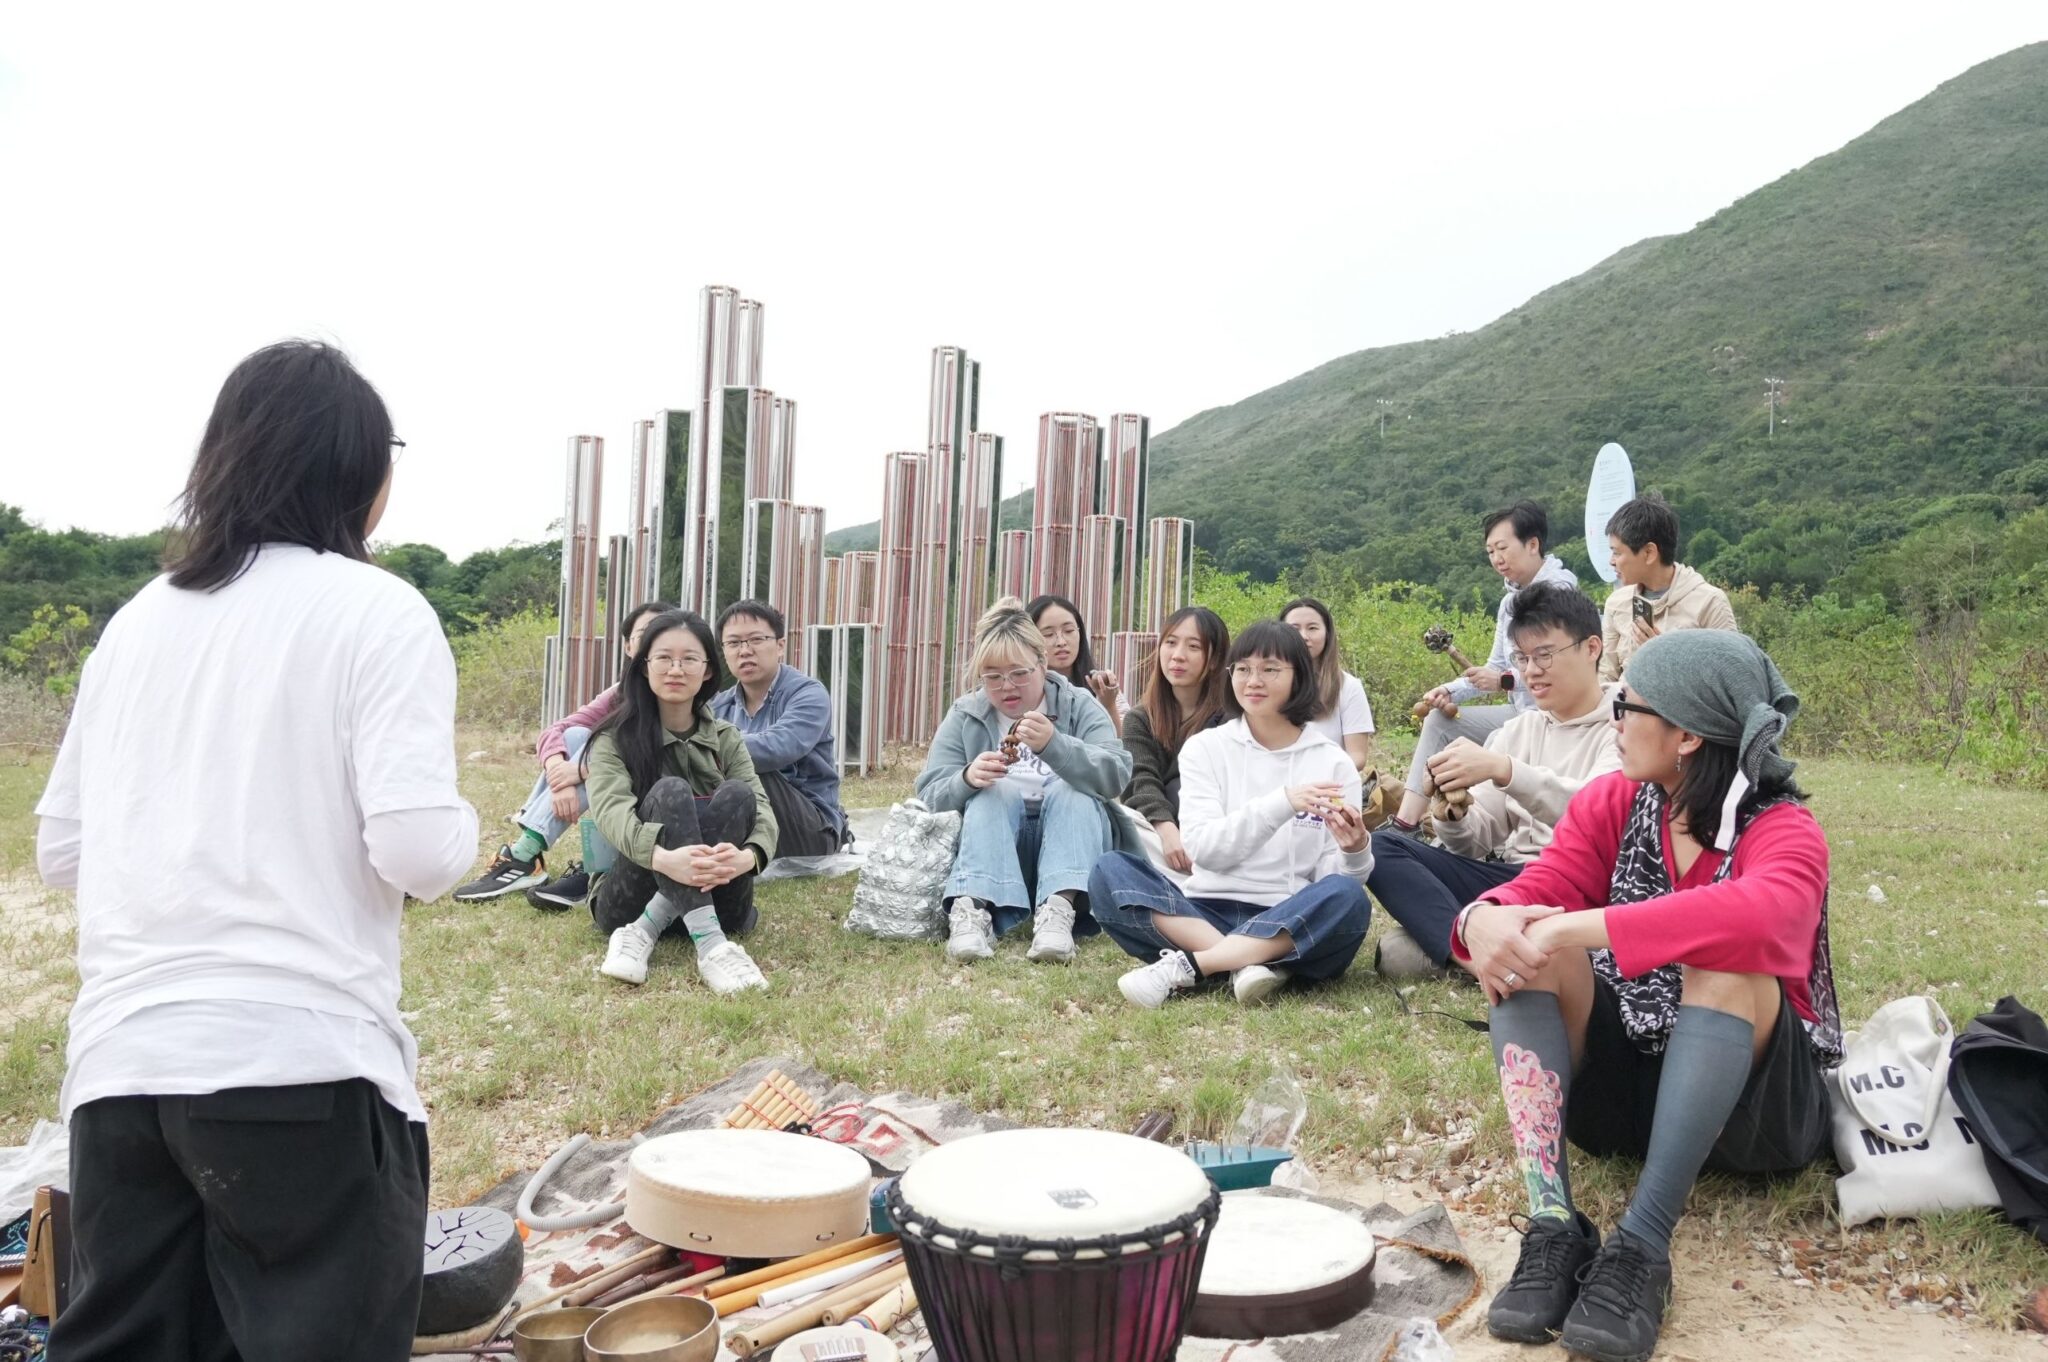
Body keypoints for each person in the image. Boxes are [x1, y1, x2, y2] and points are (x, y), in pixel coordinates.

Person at [34, 341, 477, 1360]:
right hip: (299, 1067)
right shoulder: (377, 609)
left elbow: (63, 850)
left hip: (122, 1073)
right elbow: (416, 849)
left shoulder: (140, 621)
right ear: (360, 470)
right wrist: (468, 833)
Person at [1457, 630, 1840, 1362]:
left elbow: (1769, 917)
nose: (1613, 718)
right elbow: (1531, 895)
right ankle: (1552, 1225)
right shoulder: (1616, 802)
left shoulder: (1784, 830)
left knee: (1728, 958)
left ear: (1689, 733)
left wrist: (1583, 927)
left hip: (1751, 1118)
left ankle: (1642, 1248)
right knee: (1525, 954)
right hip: (1627, 1098)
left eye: (1628, 704)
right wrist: (1482, 920)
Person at [1089, 620, 1375, 1009]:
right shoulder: (1205, 749)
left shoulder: (1332, 763)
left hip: (1288, 917)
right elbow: (1206, 851)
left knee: (1349, 898)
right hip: (1203, 912)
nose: (1253, 680)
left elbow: (1334, 880)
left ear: (1301, 676)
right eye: (1243, 668)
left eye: (1270, 669)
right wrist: (1283, 802)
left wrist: (1355, 851)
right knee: (1109, 872)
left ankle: (1198, 965)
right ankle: (1246, 964)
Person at [1368, 583, 1621, 976]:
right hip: (1515, 879)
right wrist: (1454, 817)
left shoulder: (1626, 724)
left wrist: (1506, 770)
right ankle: (1475, 958)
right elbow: (1476, 841)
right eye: (1521, 657)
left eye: (1544, 655)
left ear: (1591, 648)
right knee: (1383, 848)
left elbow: (1601, 818)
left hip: (1583, 882)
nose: (1530, 671)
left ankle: (1470, 940)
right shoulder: (1518, 730)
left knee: (1400, 952)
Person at [917, 597, 1135, 965]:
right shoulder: (966, 712)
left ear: (1042, 664)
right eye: (993, 676)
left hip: (1074, 849)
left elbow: (1116, 775)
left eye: (1019, 673)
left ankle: (1058, 912)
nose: (1007, 687)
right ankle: (972, 911)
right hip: (997, 849)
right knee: (992, 790)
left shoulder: (1078, 704)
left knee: (1071, 791)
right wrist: (967, 779)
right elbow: (929, 795)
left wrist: (1057, 746)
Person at [584, 609, 777, 993]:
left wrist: (750, 857)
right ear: (643, 666)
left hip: (724, 899)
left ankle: (646, 929)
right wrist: (663, 859)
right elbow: (611, 813)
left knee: (737, 795)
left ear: (707, 670)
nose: (676, 669)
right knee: (670, 791)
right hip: (626, 900)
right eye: (663, 658)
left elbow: (761, 806)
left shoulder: (725, 737)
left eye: (689, 659)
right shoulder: (613, 739)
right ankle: (712, 947)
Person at [454, 599, 673, 907]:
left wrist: (580, 770)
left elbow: (664, 746)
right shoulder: (621, 692)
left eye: (662, 635)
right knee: (576, 735)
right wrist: (562, 776)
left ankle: (534, 857)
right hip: (615, 787)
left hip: (664, 795)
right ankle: (530, 855)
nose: (653, 644)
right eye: (645, 635)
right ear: (628, 647)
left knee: (599, 744)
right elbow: (554, 731)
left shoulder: (681, 687)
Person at [1395, 501, 1579, 830]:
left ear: (1533, 544)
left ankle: (1475, 827)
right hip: (1520, 712)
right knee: (1439, 720)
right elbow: (1493, 669)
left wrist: (1505, 682)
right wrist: (1448, 690)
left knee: (1494, 743)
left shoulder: (1560, 593)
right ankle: (1405, 825)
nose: (1496, 558)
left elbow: (1560, 668)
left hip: (1554, 717)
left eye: (1503, 548)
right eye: (1490, 551)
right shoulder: (1510, 602)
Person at [710, 599, 848, 859]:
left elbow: (777, 749)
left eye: (756, 639)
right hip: (751, 824)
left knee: (748, 770)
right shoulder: (719, 705)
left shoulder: (808, 693)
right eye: (734, 643)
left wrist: (702, 745)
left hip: (809, 827)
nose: (745, 650)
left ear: (780, 645)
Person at [1120, 606, 1231, 878]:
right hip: (1161, 838)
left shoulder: (1232, 720)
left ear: (1214, 659)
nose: (1178, 655)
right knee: (1118, 820)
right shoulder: (1140, 718)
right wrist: (1167, 830)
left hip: (1218, 836)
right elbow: (1140, 779)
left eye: (1193, 646)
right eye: (1170, 642)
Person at [1600, 495, 1739, 682]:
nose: (1612, 561)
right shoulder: (1617, 603)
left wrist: (1664, 655)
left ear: (1649, 553)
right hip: (1626, 710)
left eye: (1617, 552)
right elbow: (1605, 678)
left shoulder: (1709, 602)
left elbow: (1731, 681)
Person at [1280, 596, 1376, 771]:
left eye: (1313, 628)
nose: (1304, 636)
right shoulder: (1268, 684)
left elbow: (1358, 757)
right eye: (1294, 628)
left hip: (1328, 787)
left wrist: (1321, 775)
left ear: (1327, 634)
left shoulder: (1348, 687)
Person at [1028, 593, 1124, 734]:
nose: (1061, 641)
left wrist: (1108, 705)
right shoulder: (1022, 690)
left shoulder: (1102, 687)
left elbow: (1121, 749)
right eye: (1048, 634)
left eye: (1069, 631)